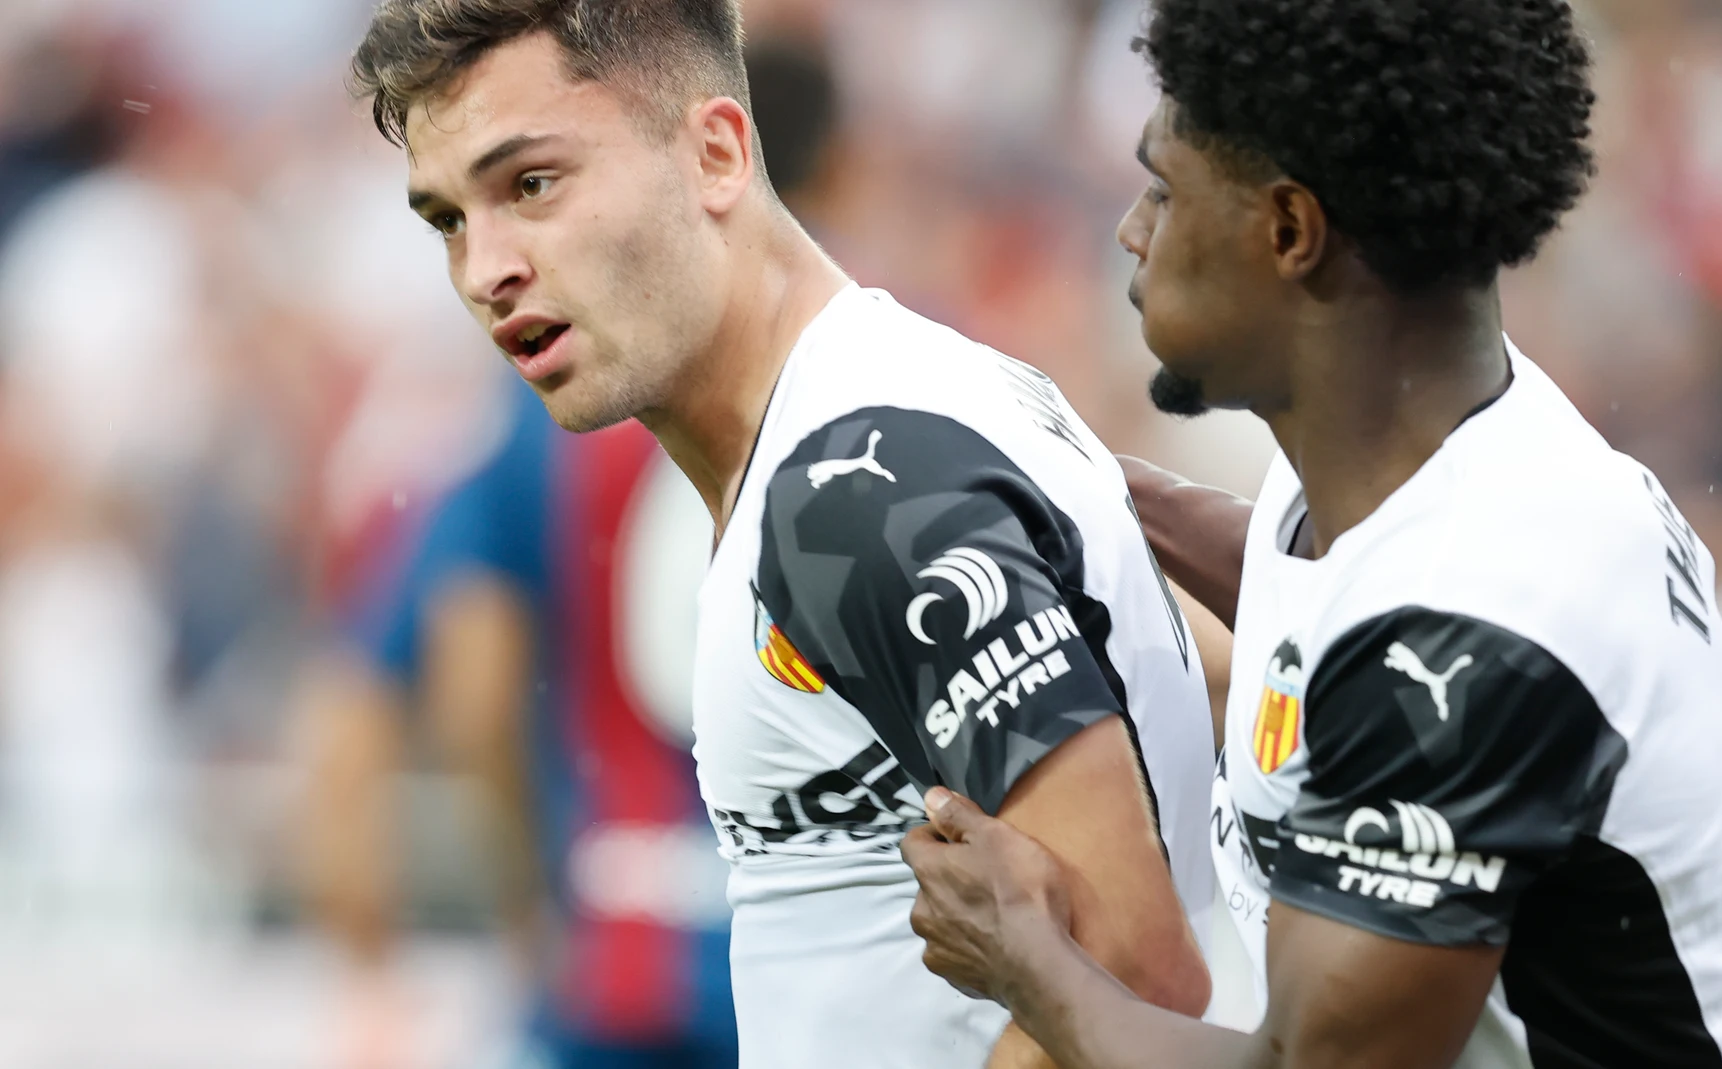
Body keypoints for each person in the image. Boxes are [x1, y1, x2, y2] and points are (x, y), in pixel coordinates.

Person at [898, 2, 1722, 1067]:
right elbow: (1330, 589)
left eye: (1164, 189)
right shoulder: (1445, 438)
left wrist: (1023, 953)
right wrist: (1077, 481)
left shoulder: (1478, 629)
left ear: (1290, 231)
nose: (1131, 228)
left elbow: (1313, 1063)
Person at [350, 2, 1220, 1067]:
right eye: (447, 220)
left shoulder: (859, 486)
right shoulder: (886, 415)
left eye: (532, 184)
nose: (486, 269)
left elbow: (1135, 971)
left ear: (715, 152)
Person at [297, 386, 738, 1069]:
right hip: (789, 950)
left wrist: (515, 905)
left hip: (611, 946)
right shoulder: (830, 380)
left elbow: (465, 699)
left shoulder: (538, 430)